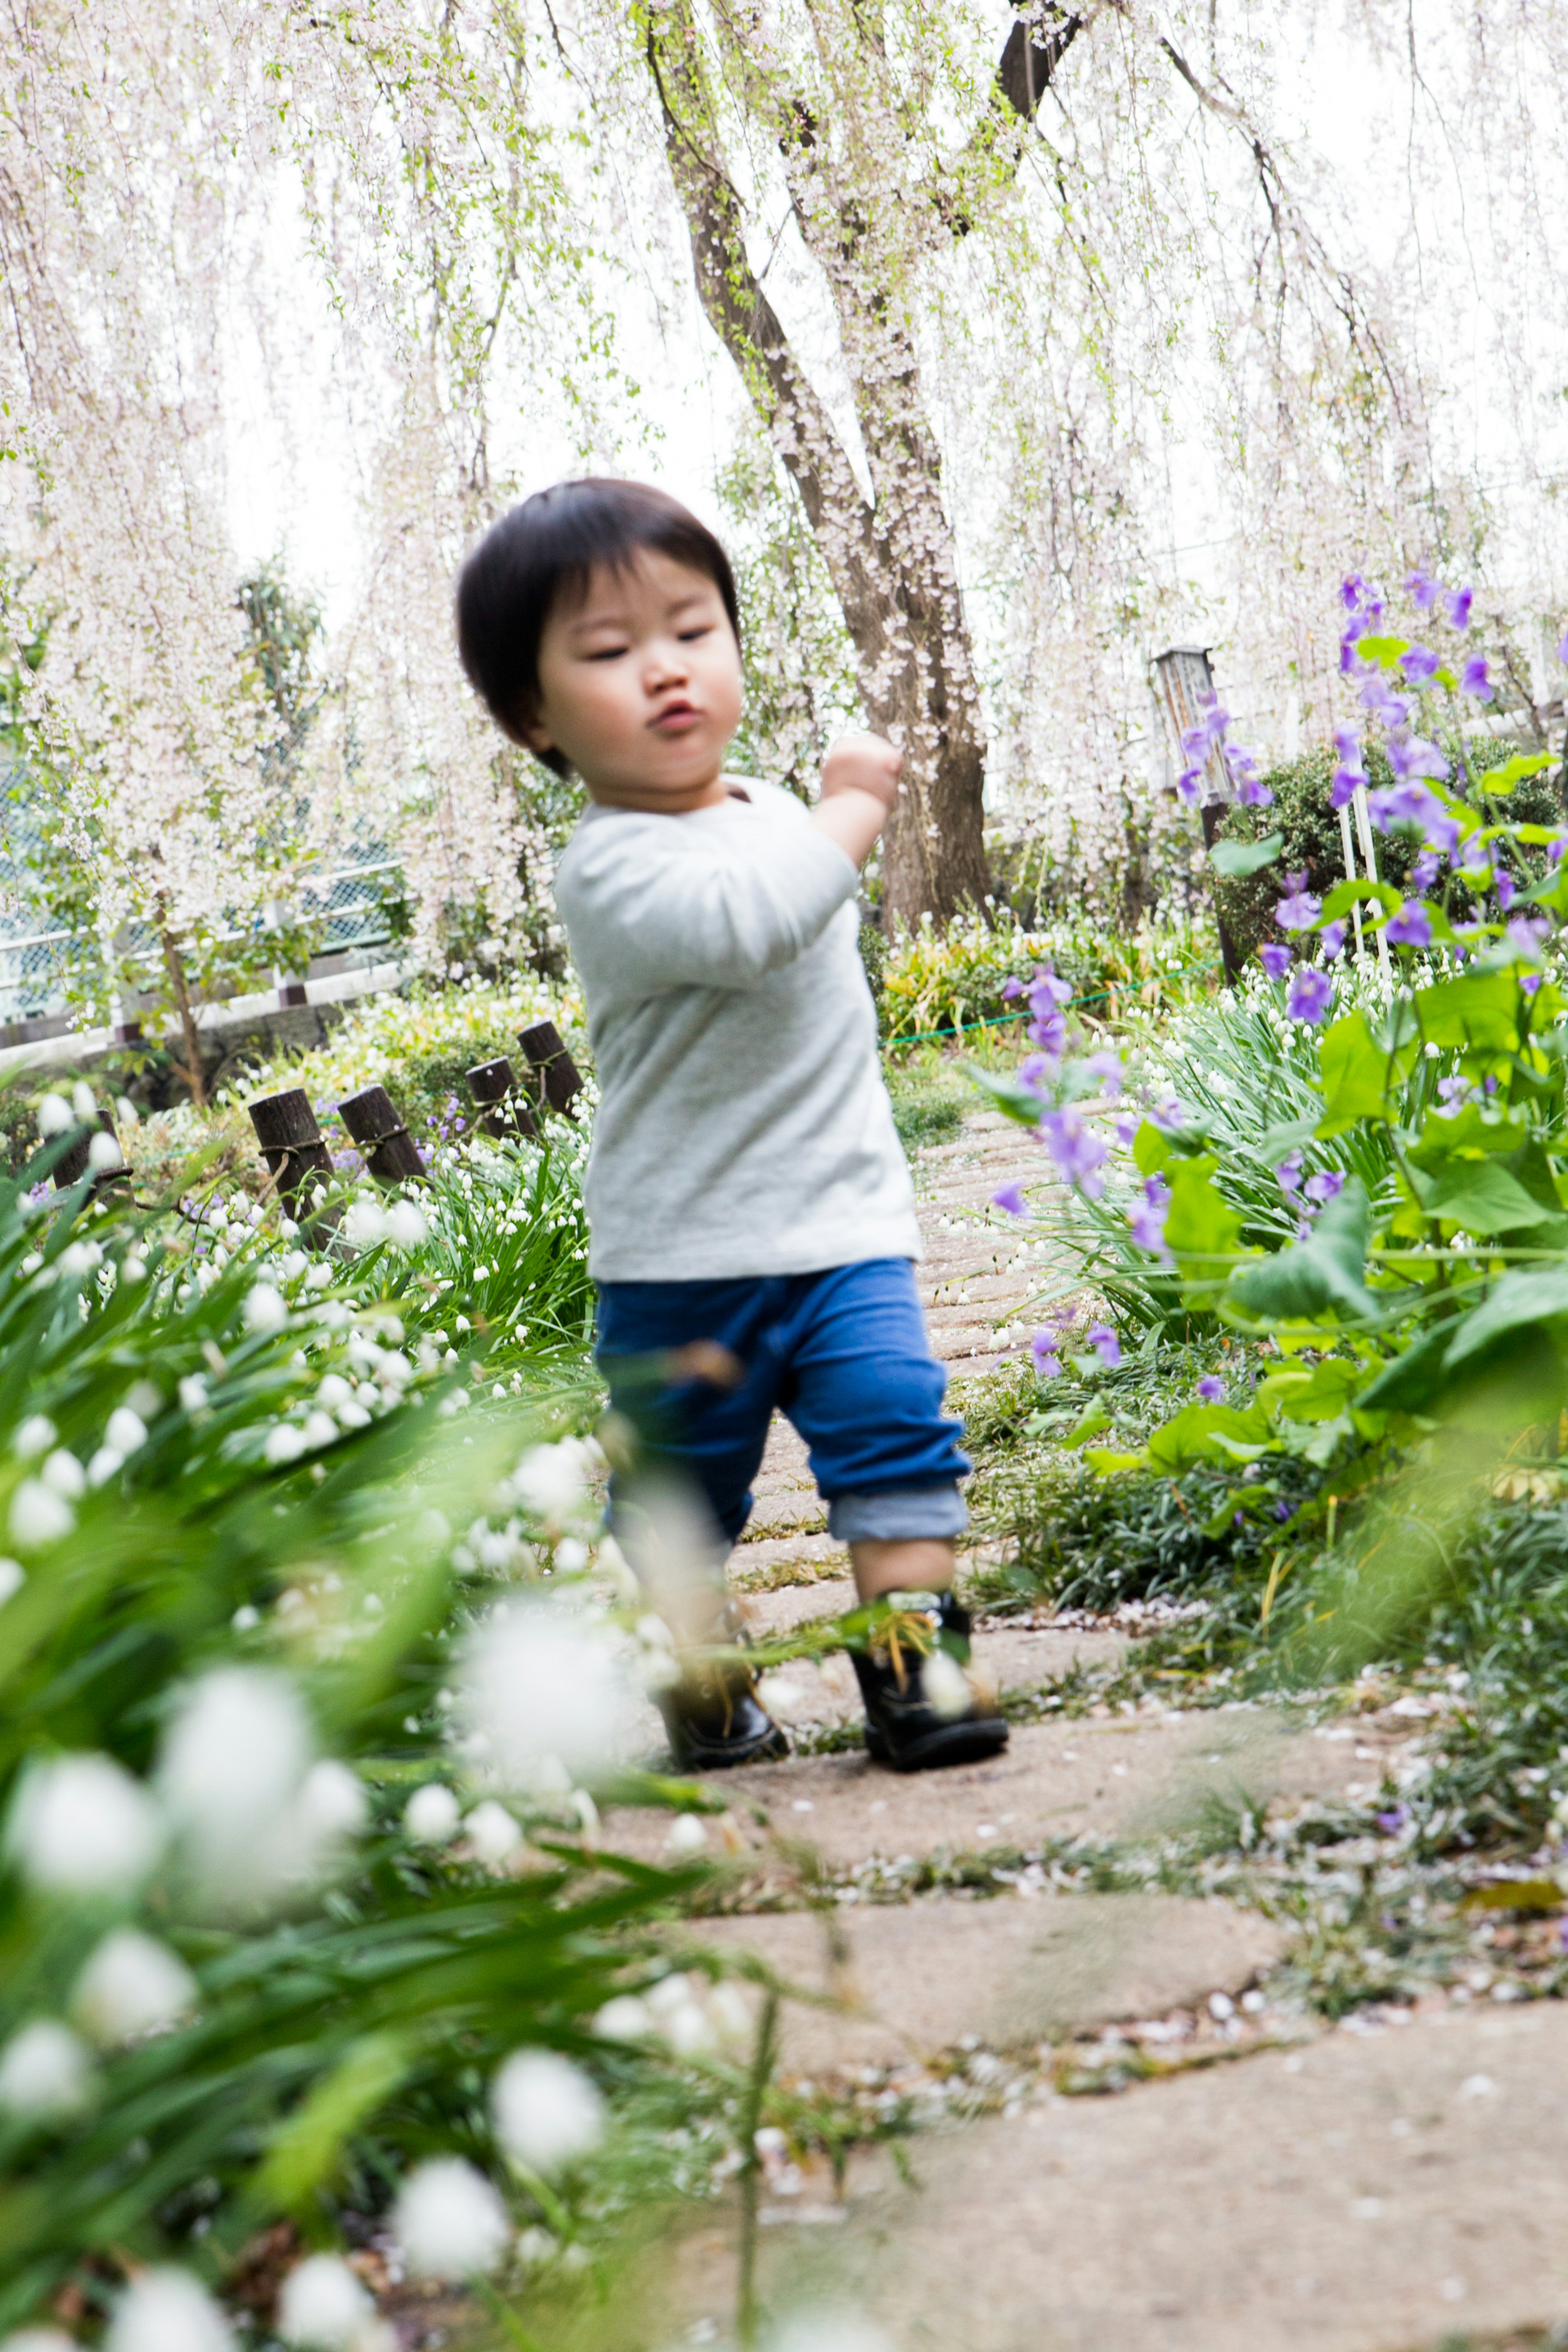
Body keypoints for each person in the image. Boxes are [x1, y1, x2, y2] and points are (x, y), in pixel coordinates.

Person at [454, 477, 1007, 1776]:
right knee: (678, 1504)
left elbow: (788, 901)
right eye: (608, 651)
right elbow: (757, 928)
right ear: (535, 715)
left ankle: (915, 1665)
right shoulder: (612, 867)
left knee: (895, 1425)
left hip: (844, 1227)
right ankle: (701, 1681)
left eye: (693, 630)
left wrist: (817, 816)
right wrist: (860, 805)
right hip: (680, 1260)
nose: (664, 671)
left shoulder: (767, 813)